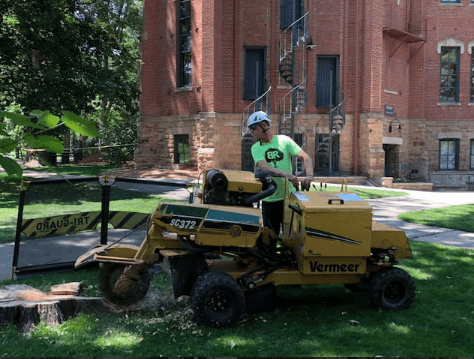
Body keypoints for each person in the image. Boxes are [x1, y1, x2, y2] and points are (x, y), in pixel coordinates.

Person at [247, 111, 314, 236]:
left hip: (289, 199)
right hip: (270, 198)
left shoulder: (284, 140)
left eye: (253, 128)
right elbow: (265, 168)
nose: (251, 131)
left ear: (263, 125)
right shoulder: (255, 147)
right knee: (270, 237)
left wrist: (309, 176)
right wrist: (287, 175)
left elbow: (306, 157)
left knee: (292, 237)